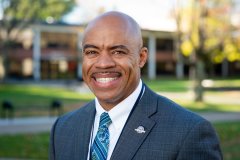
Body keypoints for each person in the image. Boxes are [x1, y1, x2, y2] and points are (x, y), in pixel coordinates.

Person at [49, 11, 222, 160]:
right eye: (92, 52)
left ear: (141, 57)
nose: (103, 64)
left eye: (118, 51)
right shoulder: (63, 128)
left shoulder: (189, 133)